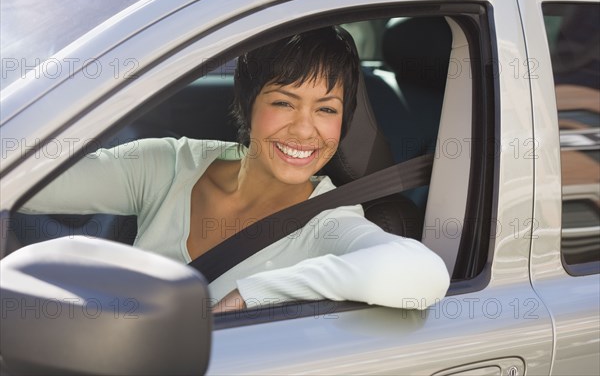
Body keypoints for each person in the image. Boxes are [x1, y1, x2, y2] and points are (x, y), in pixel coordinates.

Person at [20, 26, 450, 313]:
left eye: (326, 109)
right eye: (283, 102)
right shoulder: (169, 165)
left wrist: (252, 294)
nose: (304, 130)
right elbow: (23, 181)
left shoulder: (330, 224)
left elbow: (424, 274)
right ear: (249, 104)